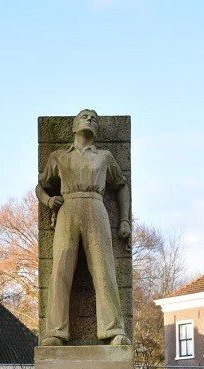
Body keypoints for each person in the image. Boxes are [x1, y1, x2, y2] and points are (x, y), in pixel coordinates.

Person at [37, 109, 132, 346]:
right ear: (73, 126)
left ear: (97, 128)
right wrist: (49, 201)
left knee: (103, 268)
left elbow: (121, 185)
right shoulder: (59, 156)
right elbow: (40, 186)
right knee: (60, 268)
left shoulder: (104, 157)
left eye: (94, 118)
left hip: (95, 205)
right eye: (83, 116)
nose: (89, 119)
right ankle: (55, 332)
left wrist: (124, 220)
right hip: (68, 207)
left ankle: (112, 330)